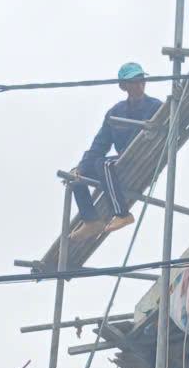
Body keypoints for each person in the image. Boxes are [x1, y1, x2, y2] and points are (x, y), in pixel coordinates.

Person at [69, 62, 163, 241]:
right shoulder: (115, 112)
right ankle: (91, 220)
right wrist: (81, 167)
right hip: (119, 165)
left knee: (103, 163)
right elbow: (100, 145)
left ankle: (122, 214)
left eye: (141, 80)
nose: (139, 85)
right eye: (133, 82)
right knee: (76, 176)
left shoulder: (156, 107)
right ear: (123, 86)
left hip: (141, 160)